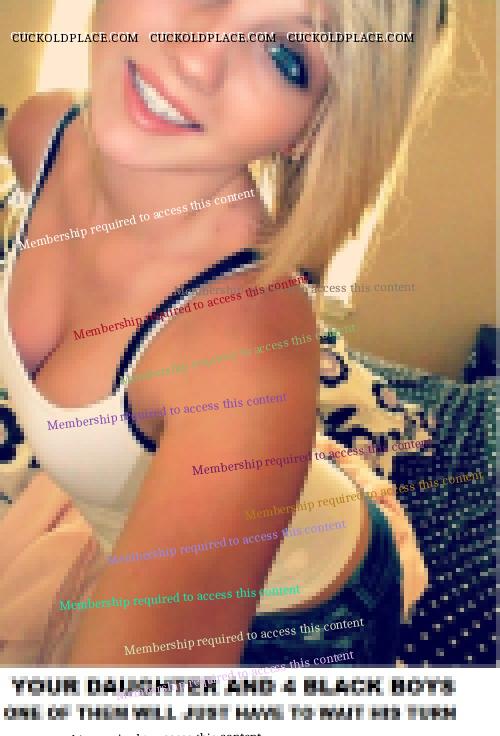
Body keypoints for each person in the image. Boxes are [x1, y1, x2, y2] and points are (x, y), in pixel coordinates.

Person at [0, 0, 450, 666]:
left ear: (307, 130)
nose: (198, 57)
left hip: (313, 609)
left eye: (285, 57)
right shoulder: (40, 132)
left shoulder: (245, 354)